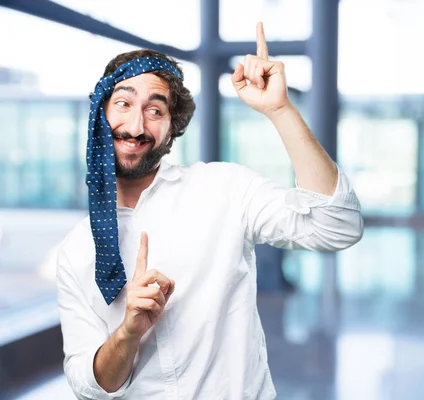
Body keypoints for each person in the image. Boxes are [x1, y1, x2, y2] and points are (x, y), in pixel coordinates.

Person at [56, 23, 363, 399]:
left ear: (172, 130)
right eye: (123, 103)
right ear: (99, 116)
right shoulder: (75, 252)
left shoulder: (224, 189)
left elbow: (338, 225)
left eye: (155, 110)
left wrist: (280, 110)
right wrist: (128, 333)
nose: (136, 125)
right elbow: (89, 386)